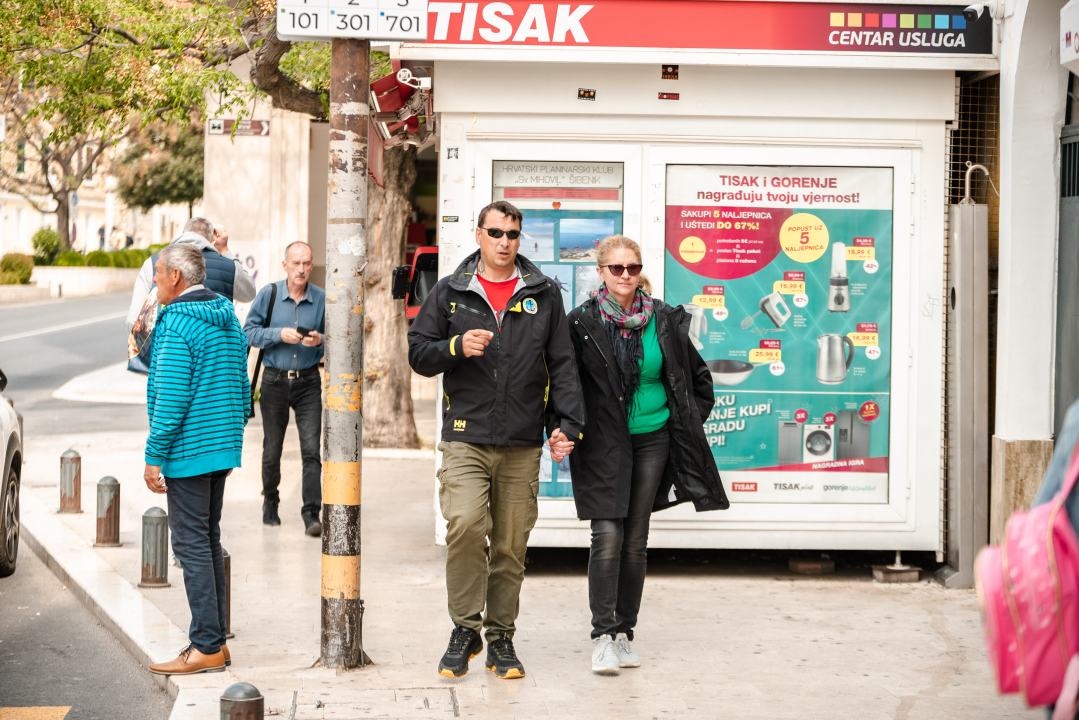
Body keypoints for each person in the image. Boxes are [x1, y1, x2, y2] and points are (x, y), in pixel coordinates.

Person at [408, 200, 585, 680]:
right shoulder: (451, 292)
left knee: (510, 543)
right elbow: (418, 353)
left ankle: (500, 637)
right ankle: (464, 628)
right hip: (465, 434)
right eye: (496, 233)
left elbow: (563, 364)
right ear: (478, 235)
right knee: (465, 524)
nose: (505, 242)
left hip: (522, 440)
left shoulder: (544, 294)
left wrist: (565, 425)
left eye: (512, 234)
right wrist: (455, 347)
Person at [566, 235, 729, 676]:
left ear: (640, 271)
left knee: (635, 540)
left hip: (654, 440)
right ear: (600, 272)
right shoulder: (580, 323)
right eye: (615, 269)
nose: (624, 276)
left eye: (632, 268)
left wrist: (687, 423)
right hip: (601, 444)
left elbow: (698, 380)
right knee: (608, 537)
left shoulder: (663, 320)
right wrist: (564, 430)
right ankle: (602, 636)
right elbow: (568, 385)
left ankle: (623, 632)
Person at [142, 244, 251, 676]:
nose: (154, 280)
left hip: (189, 450)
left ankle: (205, 644)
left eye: (158, 273)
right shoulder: (225, 315)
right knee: (207, 540)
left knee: (191, 545)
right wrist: (232, 430)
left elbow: (170, 399)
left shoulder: (177, 323)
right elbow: (243, 385)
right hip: (222, 446)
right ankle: (217, 643)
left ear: (176, 277)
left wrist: (154, 457)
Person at [243, 241, 325, 536]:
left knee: (312, 450)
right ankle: (271, 502)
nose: (301, 269)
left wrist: (320, 342)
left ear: (311, 265)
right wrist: (279, 334)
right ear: (285, 265)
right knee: (272, 449)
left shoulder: (321, 299)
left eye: (306, 263)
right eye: (296, 263)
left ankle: (311, 513)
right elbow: (248, 333)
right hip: (274, 380)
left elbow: (335, 337)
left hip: (308, 382)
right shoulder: (269, 294)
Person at [126, 217, 256, 333]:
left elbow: (133, 320)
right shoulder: (228, 266)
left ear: (183, 235)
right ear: (212, 241)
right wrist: (225, 251)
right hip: (213, 355)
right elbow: (249, 293)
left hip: (166, 352)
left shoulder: (154, 262)